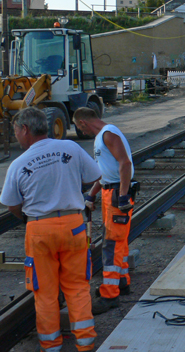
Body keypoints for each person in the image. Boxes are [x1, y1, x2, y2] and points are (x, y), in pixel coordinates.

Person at [1, 107, 100, 352]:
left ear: (25, 129)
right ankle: (86, 343)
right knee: (77, 287)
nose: (16, 136)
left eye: (15, 131)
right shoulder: (71, 148)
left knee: (44, 292)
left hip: (40, 230)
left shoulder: (19, 163)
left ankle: (51, 345)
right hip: (73, 227)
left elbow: (12, 202)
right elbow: (95, 175)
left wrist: (29, 218)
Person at [72, 107, 134, 315]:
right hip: (111, 191)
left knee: (111, 244)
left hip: (117, 193)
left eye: (80, 127)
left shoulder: (108, 134)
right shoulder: (102, 137)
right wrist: (92, 194)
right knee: (118, 240)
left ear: (82, 123)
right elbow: (105, 172)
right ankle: (122, 282)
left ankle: (109, 294)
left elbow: (125, 163)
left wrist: (123, 195)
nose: (82, 132)